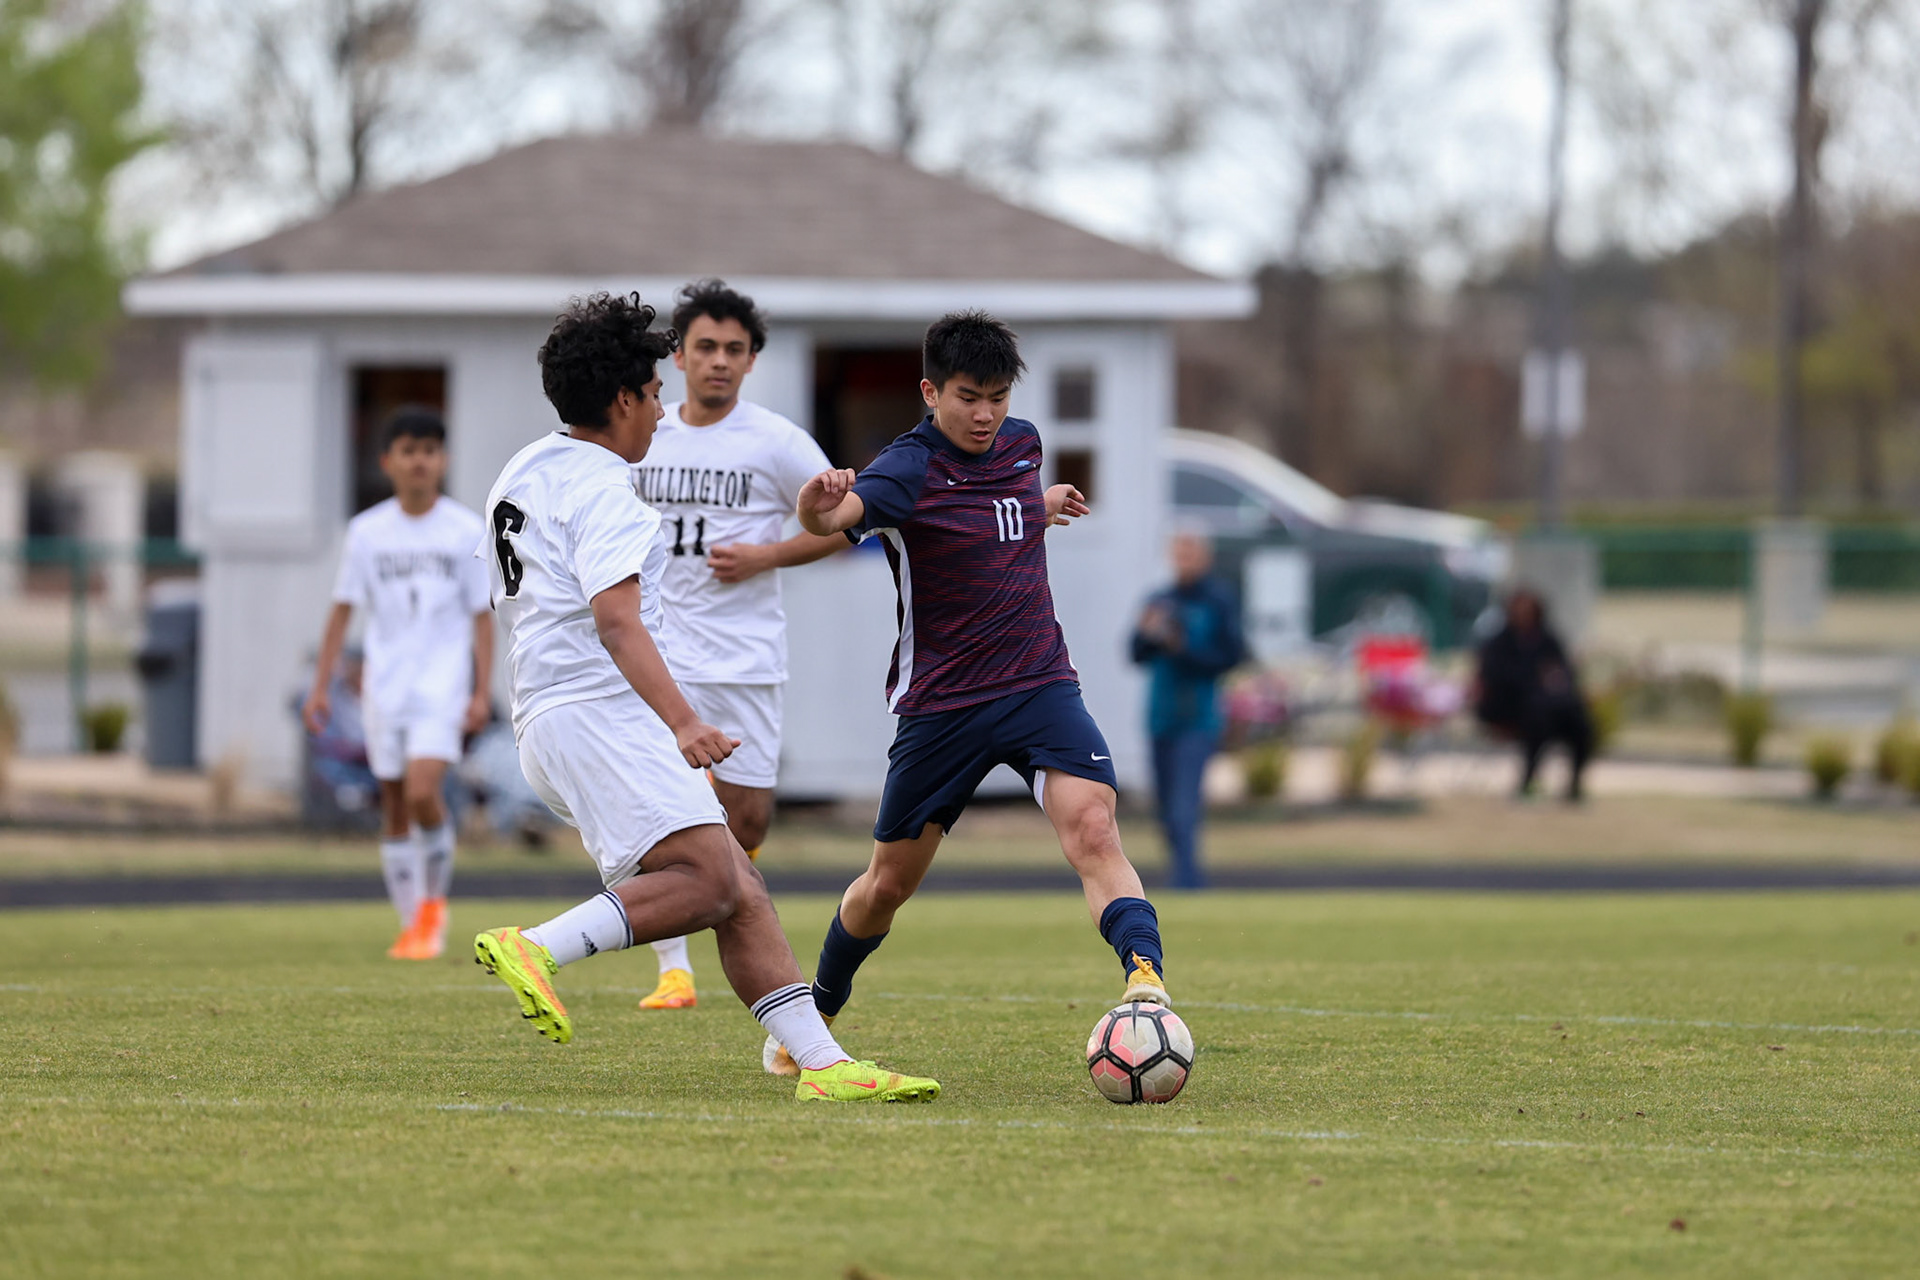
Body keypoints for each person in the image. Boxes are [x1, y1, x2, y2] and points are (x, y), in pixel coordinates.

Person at [470, 290, 937, 1103]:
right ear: (623, 400)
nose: (661, 409)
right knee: (714, 883)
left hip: (555, 711)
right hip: (596, 714)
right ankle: (536, 945)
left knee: (737, 885)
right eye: (653, 392)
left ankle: (825, 1067)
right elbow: (617, 623)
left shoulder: (524, 468)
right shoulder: (605, 486)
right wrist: (682, 722)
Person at [765, 309, 1173, 1077]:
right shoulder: (904, 469)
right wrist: (817, 502)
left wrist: (1038, 506)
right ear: (930, 391)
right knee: (886, 886)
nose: (985, 415)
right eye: (967, 397)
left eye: (997, 396)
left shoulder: (1021, 447)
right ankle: (816, 1006)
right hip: (943, 706)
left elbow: (998, 507)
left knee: (1094, 827)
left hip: (1039, 679)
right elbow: (835, 518)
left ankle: (1145, 984)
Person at [628, 279, 846, 1012]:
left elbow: (844, 525)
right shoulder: (643, 436)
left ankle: (718, 901)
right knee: (663, 807)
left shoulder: (776, 441)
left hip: (746, 659)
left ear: (751, 361)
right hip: (662, 657)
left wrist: (764, 556)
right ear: (680, 356)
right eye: (705, 348)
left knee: (746, 820)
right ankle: (673, 970)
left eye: (734, 350)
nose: (718, 361)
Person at [303, 409, 491, 960]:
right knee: (394, 804)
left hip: (442, 687)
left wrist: (480, 692)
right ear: (388, 461)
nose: (420, 461)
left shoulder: (463, 530)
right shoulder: (367, 532)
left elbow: (482, 615)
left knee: (423, 790)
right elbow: (342, 611)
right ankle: (413, 923)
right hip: (384, 689)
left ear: (443, 460)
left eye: (430, 450)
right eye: (409, 450)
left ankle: (433, 908)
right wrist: (321, 687)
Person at [1129, 531, 1246, 889]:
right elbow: (1135, 654)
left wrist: (1184, 649)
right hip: (1160, 716)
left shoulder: (1217, 601)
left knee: (1184, 806)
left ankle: (1187, 883)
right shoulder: (1159, 600)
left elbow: (1232, 656)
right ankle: (1184, 873)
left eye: (1190, 553)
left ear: (1205, 557)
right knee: (1164, 809)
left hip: (1198, 716)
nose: (1184, 561)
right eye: (1178, 554)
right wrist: (1148, 635)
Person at [1473, 588, 1594, 801]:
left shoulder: (1548, 640)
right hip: (1509, 706)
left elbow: (1564, 672)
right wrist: (1536, 679)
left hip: (1550, 707)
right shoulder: (1499, 643)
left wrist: (1554, 681)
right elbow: (1496, 677)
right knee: (1537, 717)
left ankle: (1574, 783)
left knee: (1579, 721)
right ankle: (1528, 780)